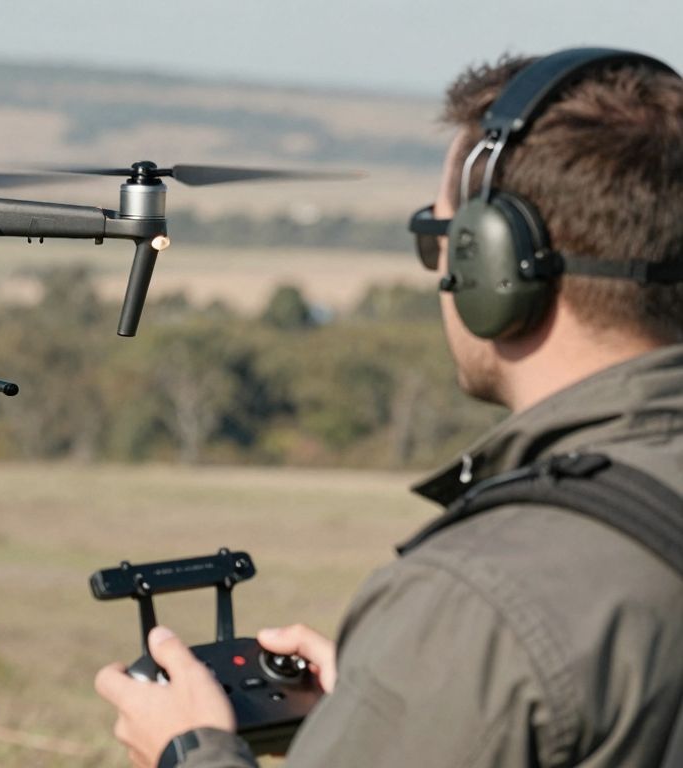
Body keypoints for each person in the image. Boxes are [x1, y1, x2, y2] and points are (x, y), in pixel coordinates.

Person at [96, 49, 683, 768]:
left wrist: (191, 751)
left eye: (436, 240)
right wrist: (415, 699)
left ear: (490, 266)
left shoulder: (481, 600)